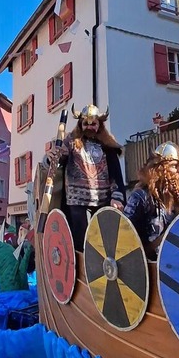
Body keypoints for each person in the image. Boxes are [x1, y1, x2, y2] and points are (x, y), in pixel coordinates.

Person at [48, 104, 126, 251]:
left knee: (103, 243)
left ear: (100, 125)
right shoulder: (70, 142)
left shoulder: (107, 145)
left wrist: (117, 197)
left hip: (103, 201)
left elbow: (116, 175)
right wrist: (52, 155)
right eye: (86, 124)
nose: (90, 127)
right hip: (76, 202)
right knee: (80, 243)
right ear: (80, 124)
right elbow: (57, 161)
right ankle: (81, 271)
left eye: (94, 124)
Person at [123, 141, 179, 260]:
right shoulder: (141, 196)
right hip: (154, 267)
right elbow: (124, 235)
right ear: (159, 169)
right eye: (174, 165)